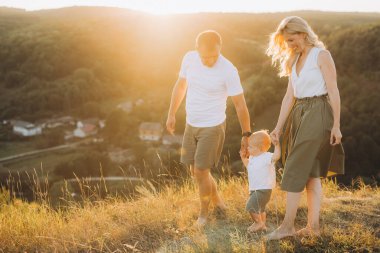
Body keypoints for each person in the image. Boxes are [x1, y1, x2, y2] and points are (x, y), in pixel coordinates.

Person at [265, 16, 345, 240]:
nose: (290, 45)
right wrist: (278, 127)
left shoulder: (321, 55)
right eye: (286, 42)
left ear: (303, 33)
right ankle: (313, 227)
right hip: (299, 113)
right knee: (312, 174)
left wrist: (337, 125)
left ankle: (287, 226)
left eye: (292, 39)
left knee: (294, 168)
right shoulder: (294, 59)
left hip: (319, 111)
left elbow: (334, 90)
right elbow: (289, 96)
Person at [166, 30, 251, 227]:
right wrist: (171, 113)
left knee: (201, 170)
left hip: (213, 126)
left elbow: (240, 105)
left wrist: (246, 134)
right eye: (205, 57)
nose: (210, 61)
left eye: (214, 56)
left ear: (220, 49)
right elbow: (180, 86)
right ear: (197, 50)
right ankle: (219, 203)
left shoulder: (228, 70)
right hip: (191, 123)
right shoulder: (189, 58)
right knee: (194, 171)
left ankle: (203, 216)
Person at [240, 130, 280, 233]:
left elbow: (277, 156)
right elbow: (248, 166)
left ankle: (258, 223)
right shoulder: (253, 158)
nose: (248, 148)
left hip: (263, 189)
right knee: (260, 209)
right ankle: (262, 225)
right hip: (254, 189)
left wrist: (277, 145)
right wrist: (243, 158)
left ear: (261, 148)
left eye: (251, 147)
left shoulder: (266, 156)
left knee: (250, 206)